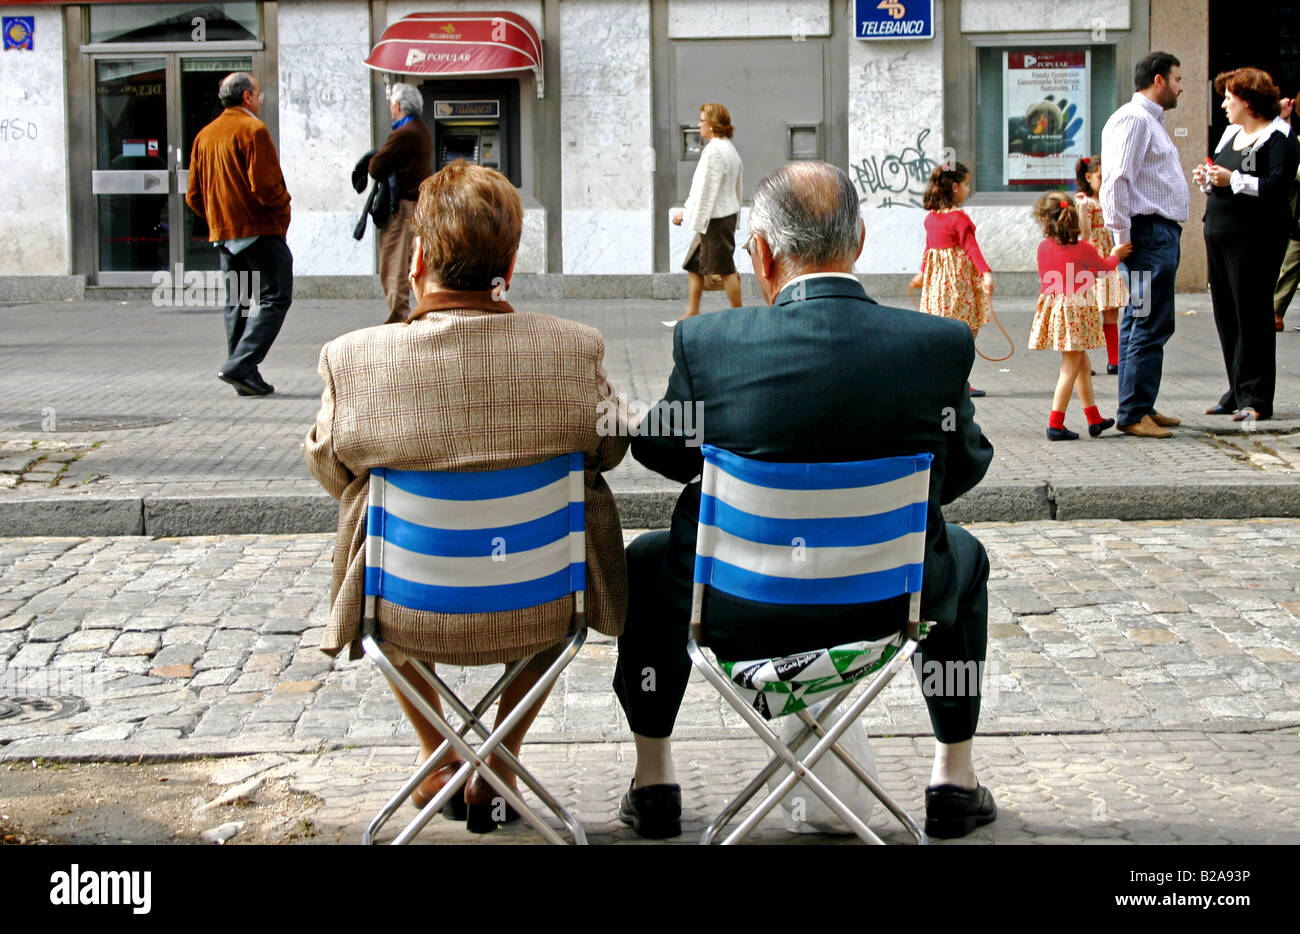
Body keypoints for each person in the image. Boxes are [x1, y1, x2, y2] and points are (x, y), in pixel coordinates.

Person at [613, 161, 996, 840]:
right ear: (861, 240)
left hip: (736, 605)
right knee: (964, 556)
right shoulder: (937, 343)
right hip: (886, 605)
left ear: (760, 251)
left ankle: (654, 782)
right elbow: (962, 466)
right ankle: (953, 779)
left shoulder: (708, 342)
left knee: (648, 561)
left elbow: (659, 452)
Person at [305, 160, 629, 833]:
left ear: (419, 256)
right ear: (509, 262)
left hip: (405, 609)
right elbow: (610, 450)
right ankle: (501, 759)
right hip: (540, 605)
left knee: (372, 516)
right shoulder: (573, 350)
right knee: (567, 519)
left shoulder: (355, 358)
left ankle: (439, 757)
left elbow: (331, 467)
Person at [1193, 69, 1300, 422]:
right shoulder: (1230, 133)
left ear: (1249, 101)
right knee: (1226, 315)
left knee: (1251, 314)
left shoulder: (1280, 137)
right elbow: (1220, 173)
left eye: (1229, 98)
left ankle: (1256, 397)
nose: (1224, 104)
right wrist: (1209, 180)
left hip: (1256, 238)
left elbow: (1276, 186)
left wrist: (1233, 179)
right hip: (1219, 232)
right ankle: (1236, 388)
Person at [186, 72, 292, 397]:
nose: (261, 99)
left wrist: (217, 219)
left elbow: (192, 195)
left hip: (224, 235)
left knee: (238, 302)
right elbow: (265, 186)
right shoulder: (253, 130)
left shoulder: (205, 135)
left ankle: (243, 373)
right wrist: (283, 207)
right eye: (259, 94)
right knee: (276, 296)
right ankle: (241, 365)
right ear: (246, 97)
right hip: (258, 229)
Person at [1099, 51, 1188, 439]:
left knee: (1144, 319)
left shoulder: (1148, 121)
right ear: (1158, 80)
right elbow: (1116, 180)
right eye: (1177, 78)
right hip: (1146, 236)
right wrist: (1122, 238)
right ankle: (1134, 413)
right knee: (1147, 321)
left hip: (1154, 235)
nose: (1181, 86)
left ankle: (1140, 405)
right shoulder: (1134, 120)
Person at [1028, 192, 1132, 440]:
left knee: (1082, 365)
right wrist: (1117, 254)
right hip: (1076, 310)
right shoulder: (1083, 248)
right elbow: (1105, 268)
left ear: (1045, 221)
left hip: (1056, 310)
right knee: (1069, 369)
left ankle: (1093, 418)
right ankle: (1056, 423)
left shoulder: (1043, 247)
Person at [910, 162, 994, 397]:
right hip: (959, 283)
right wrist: (985, 273)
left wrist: (922, 273)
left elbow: (928, 250)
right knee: (967, 330)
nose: (968, 190)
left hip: (938, 286)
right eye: (967, 185)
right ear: (955, 187)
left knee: (945, 331)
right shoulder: (959, 218)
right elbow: (971, 248)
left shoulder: (931, 218)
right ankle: (959, 381)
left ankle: (944, 379)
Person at [667, 102, 743, 326]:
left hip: (714, 220)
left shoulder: (714, 151)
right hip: (718, 216)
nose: (698, 124)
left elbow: (707, 190)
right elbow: (732, 187)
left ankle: (739, 316)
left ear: (713, 124)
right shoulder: (728, 148)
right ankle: (691, 312)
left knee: (726, 269)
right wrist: (688, 211)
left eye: (702, 120)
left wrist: (695, 219)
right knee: (694, 265)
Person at [369, 83, 433, 324]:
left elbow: (376, 167)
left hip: (402, 208)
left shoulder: (405, 132)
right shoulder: (422, 130)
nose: (390, 108)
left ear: (398, 106)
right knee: (408, 261)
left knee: (394, 263)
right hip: (415, 205)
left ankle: (397, 318)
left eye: (391, 104)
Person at [1075, 155, 1129, 373]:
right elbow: (1084, 233)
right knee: (1086, 312)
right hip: (1091, 260)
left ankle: (1114, 360)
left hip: (1109, 258)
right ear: (1088, 177)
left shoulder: (1108, 199)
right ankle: (1080, 360)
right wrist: (1080, 208)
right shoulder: (1085, 202)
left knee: (1111, 309)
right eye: (1100, 176)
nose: (1104, 180)